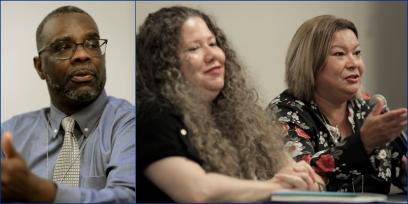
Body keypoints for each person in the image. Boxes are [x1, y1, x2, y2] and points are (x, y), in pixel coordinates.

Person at [137, 6, 324, 202]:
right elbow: (197, 190)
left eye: (213, 43)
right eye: (194, 48)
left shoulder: (245, 117)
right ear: (165, 65)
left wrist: (307, 181)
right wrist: (276, 187)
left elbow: (303, 176)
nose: (213, 55)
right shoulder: (151, 117)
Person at [1, 6, 135, 202]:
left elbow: (129, 197)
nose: (82, 54)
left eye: (92, 43)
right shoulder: (10, 134)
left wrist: (41, 192)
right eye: (63, 47)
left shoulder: (129, 124)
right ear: (40, 67)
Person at [267, 15, 407, 194]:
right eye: (340, 54)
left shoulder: (366, 108)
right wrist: (361, 144)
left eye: (357, 53)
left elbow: (399, 168)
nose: (354, 63)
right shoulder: (284, 113)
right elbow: (301, 179)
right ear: (311, 63)